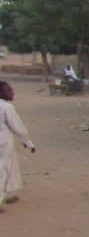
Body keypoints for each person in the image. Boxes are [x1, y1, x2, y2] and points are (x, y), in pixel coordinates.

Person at [0, 81, 36, 211]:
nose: (12, 92)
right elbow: (18, 128)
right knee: (3, 170)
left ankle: (4, 195)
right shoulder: (7, 107)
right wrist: (28, 143)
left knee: (8, 168)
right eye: (9, 90)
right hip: (3, 144)